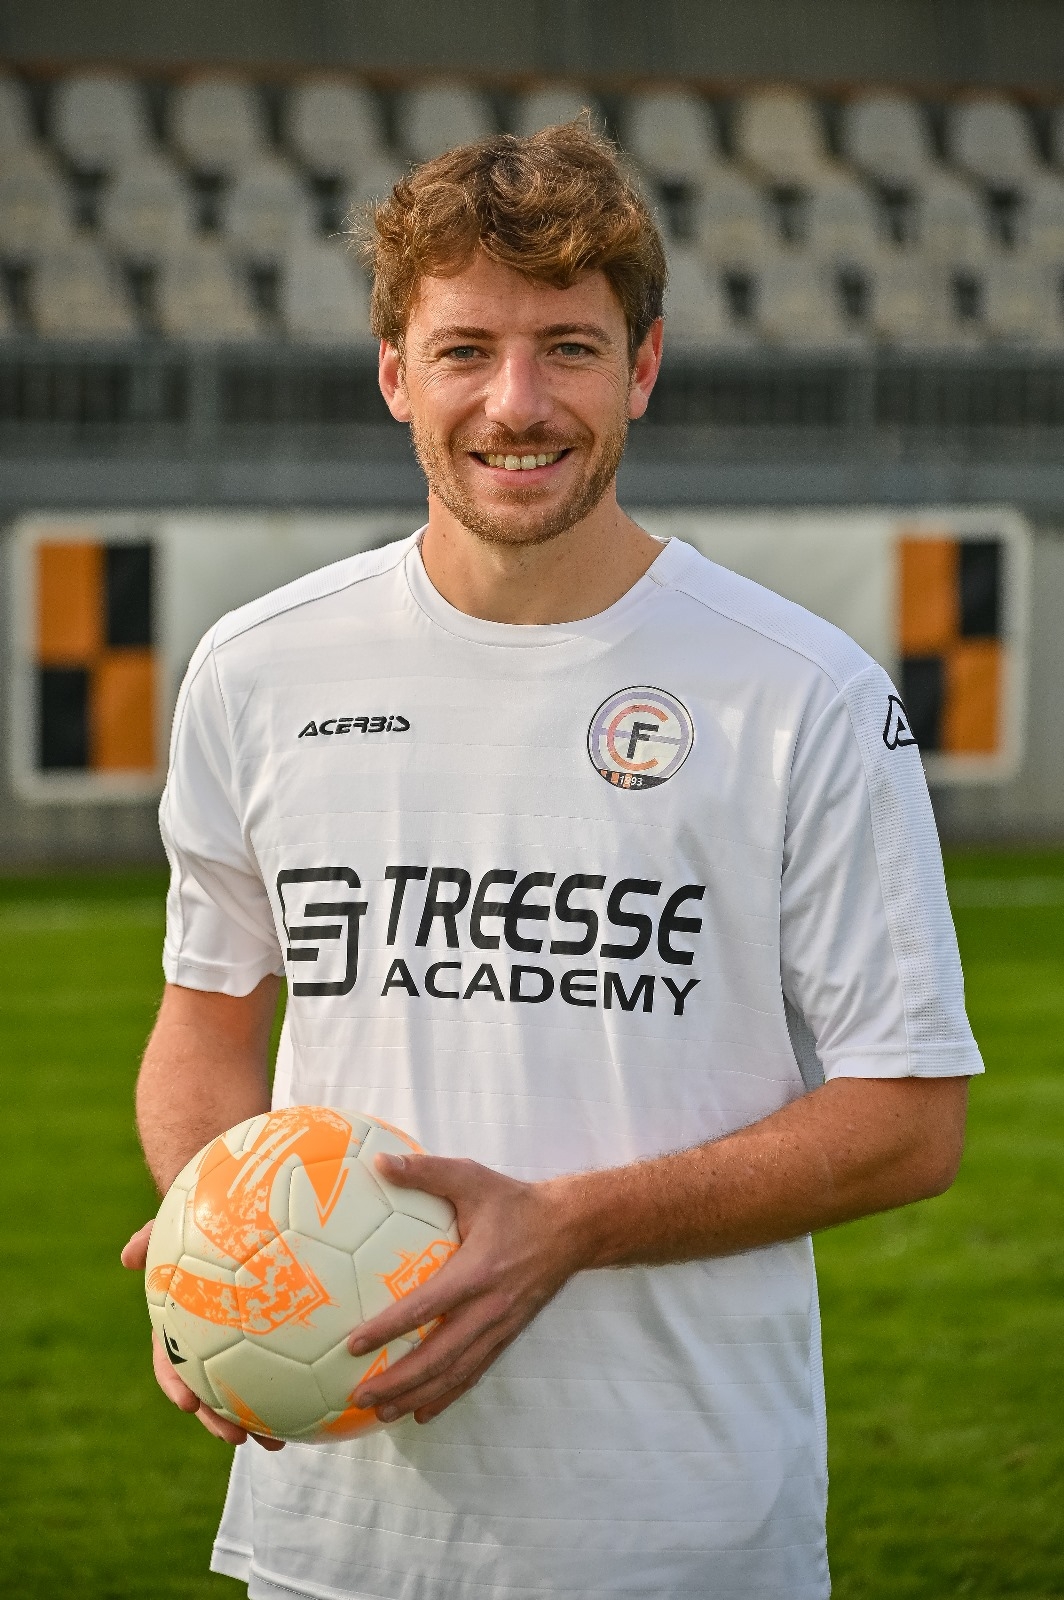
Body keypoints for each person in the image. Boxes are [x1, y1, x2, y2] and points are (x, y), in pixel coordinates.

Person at [122, 121, 982, 1600]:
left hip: (680, 1535)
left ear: (642, 369)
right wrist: (222, 1252)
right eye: (464, 351)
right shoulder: (258, 671)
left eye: (568, 349)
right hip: (337, 1538)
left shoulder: (802, 693)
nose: (515, 404)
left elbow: (910, 1121)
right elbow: (203, 1026)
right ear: (394, 374)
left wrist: (568, 1227)